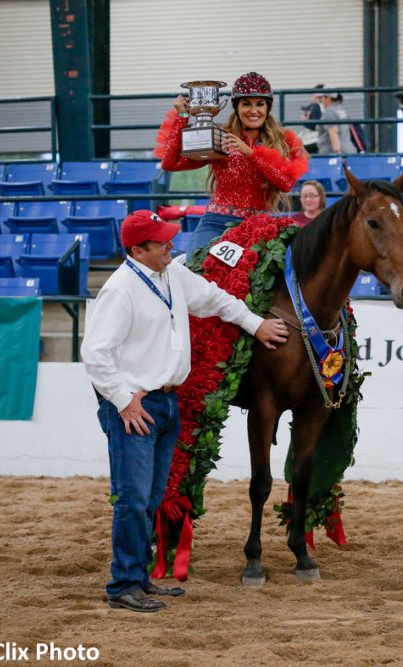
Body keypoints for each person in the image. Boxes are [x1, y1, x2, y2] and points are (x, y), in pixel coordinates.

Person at [81, 210, 290, 613]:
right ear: (138, 249)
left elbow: (215, 299)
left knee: (151, 496)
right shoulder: (120, 289)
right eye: (161, 242)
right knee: (133, 497)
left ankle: (137, 579)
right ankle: (123, 583)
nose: (170, 245)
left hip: (164, 402)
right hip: (137, 406)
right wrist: (123, 400)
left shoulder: (172, 274)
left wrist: (254, 323)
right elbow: (95, 353)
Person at [155, 71, 309, 262]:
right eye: (246, 104)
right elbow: (170, 163)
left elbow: (285, 183)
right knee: (195, 267)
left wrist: (250, 153)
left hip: (258, 227)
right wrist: (183, 117)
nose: (254, 110)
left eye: (259, 104)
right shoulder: (222, 137)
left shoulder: (282, 141)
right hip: (216, 224)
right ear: (236, 107)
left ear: (267, 108)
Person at [315, 91, 356, 155]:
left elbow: (333, 132)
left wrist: (337, 153)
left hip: (331, 152)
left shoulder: (329, 112)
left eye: (322, 97)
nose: (321, 100)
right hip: (347, 149)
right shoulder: (340, 110)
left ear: (328, 98)